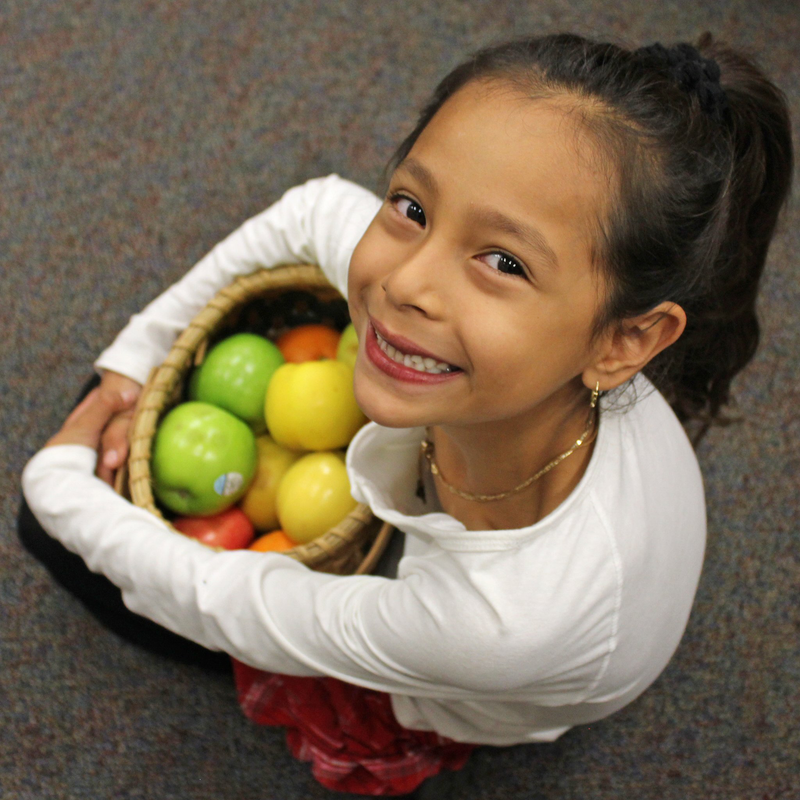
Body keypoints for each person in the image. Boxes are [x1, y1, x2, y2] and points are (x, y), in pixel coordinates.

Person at [19, 32, 793, 797]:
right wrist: (130, 363)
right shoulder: (529, 380)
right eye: (411, 206)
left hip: (469, 687)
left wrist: (52, 482)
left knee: (53, 537)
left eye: (503, 262)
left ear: (625, 342)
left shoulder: (503, 621)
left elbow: (230, 603)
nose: (405, 284)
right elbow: (313, 208)